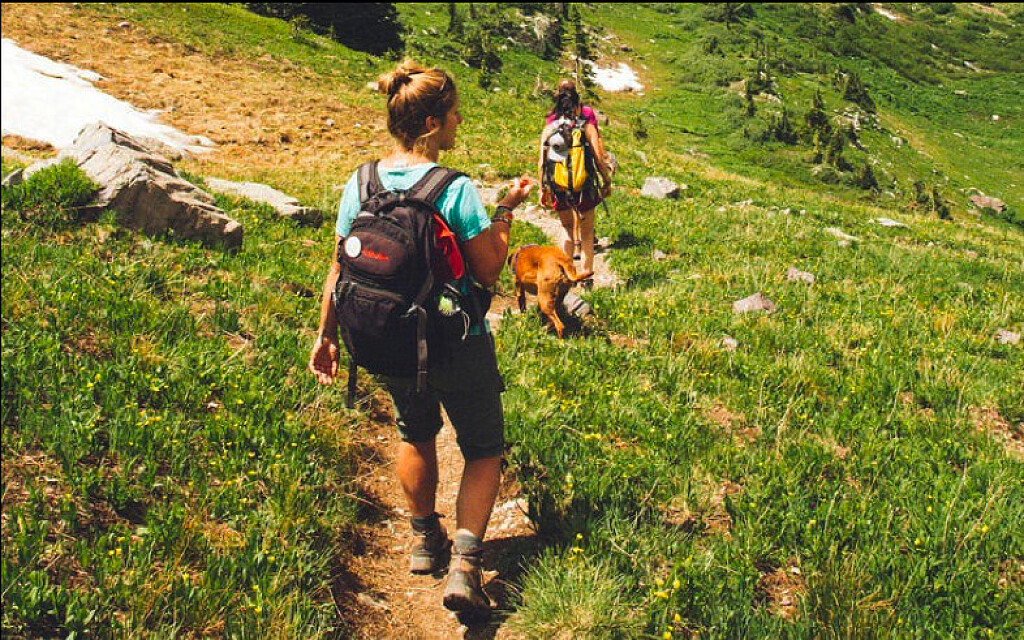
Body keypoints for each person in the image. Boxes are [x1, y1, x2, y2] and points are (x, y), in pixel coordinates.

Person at [308, 59, 534, 615]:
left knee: (415, 432)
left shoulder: (361, 182)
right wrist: (505, 211)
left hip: (389, 340)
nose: (460, 122)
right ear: (432, 123)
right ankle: (466, 564)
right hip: (455, 341)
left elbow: (339, 266)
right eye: (454, 114)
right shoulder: (452, 189)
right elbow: (488, 270)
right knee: (483, 448)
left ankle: (423, 539)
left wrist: (326, 336)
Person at [538, 80, 613, 279]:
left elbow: (542, 163)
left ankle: (566, 276)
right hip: (584, 186)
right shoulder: (586, 127)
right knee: (587, 234)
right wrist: (606, 181)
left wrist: (543, 189)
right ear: (577, 101)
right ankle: (586, 277)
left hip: (559, 186)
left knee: (567, 229)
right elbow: (598, 158)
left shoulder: (550, 128)